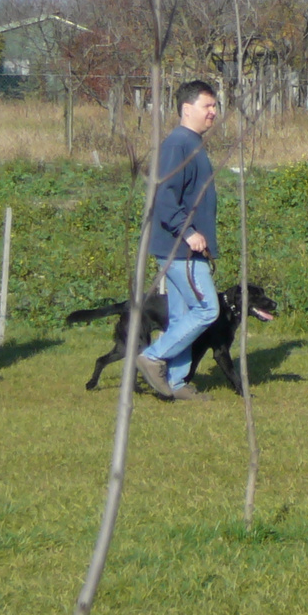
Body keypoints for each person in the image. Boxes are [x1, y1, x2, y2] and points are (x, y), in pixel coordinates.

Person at [135, 80, 221, 402]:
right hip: (179, 248)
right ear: (187, 109)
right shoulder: (178, 144)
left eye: (215, 106)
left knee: (185, 316)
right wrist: (187, 232)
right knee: (207, 309)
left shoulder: (193, 143)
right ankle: (154, 356)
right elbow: (164, 196)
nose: (214, 112)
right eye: (207, 106)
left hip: (188, 247)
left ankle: (176, 383)